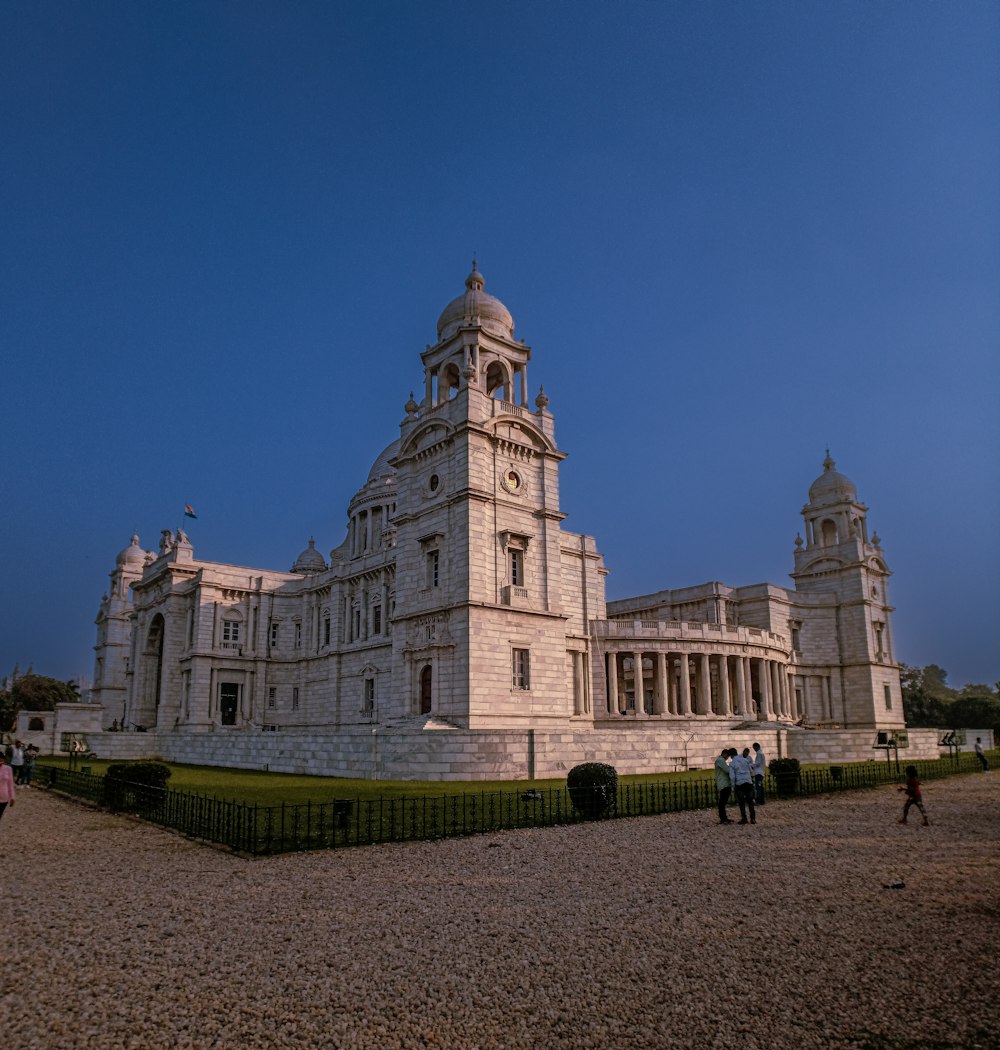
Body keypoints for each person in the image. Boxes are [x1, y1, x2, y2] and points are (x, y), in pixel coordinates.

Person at [730, 747, 757, 825]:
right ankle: (753, 818)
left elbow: (732, 776)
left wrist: (732, 786)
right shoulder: (745, 760)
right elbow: (751, 771)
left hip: (739, 783)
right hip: (748, 782)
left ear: (731, 756)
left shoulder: (732, 763)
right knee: (750, 801)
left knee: (741, 802)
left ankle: (744, 818)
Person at [715, 748, 733, 824]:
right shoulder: (720, 760)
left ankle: (724, 818)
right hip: (724, 783)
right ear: (724, 754)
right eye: (727, 756)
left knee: (722, 802)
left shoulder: (720, 761)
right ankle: (723, 818)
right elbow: (727, 770)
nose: (728, 757)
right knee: (722, 802)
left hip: (724, 783)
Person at [0, 752, 15, 824]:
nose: (0, 762)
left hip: (4, 798)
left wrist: (12, 797)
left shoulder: (8, 769)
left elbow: (10, 784)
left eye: (2, 760)